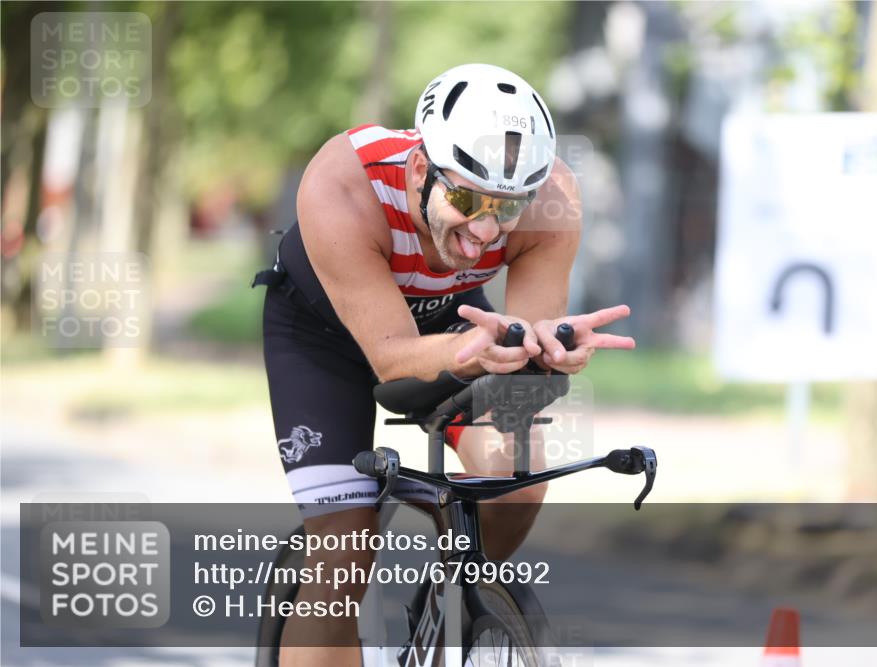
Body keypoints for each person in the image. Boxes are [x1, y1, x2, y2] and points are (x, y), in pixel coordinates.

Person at [256, 63, 634, 667]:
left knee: (518, 474)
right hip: (324, 336)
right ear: (417, 170)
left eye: (507, 208)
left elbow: (527, 339)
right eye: (465, 197)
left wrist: (549, 347)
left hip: (449, 320)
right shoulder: (344, 181)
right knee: (344, 561)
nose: (485, 229)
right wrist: (483, 352)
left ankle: (451, 608)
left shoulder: (552, 199)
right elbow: (390, 359)